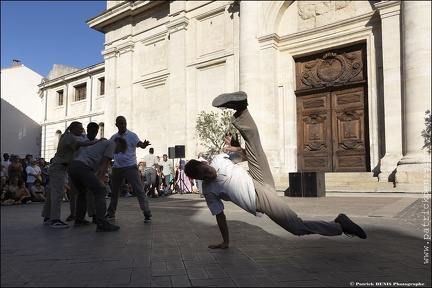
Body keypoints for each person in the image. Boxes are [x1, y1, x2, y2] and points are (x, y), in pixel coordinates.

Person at [184, 91, 367, 249]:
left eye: (207, 169)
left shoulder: (218, 159)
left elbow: (248, 156)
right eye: (205, 176)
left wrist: (237, 147)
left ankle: (242, 109)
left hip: (257, 175)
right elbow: (220, 216)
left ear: (205, 163)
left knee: (254, 146)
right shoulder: (209, 191)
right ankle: (339, 225)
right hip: (260, 198)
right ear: (201, 180)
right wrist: (225, 241)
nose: (210, 173)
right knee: (296, 228)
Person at [41, 121, 104, 229]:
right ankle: (55, 219)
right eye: (80, 128)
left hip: (59, 167)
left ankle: (47, 217)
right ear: (73, 129)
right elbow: (79, 144)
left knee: (52, 192)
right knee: (58, 193)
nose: (81, 130)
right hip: (59, 167)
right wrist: (95, 142)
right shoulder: (70, 137)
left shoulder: (67, 135)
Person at [67, 137, 128, 232]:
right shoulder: (112, 144)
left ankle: (79, 219)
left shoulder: (102, 144)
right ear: (119, 145)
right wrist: (102, 178)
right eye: (120, 151)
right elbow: (106, 160)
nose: (117, 153)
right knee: (101, 191)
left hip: (73, 166)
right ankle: (101, 222)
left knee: (82, 192)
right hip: (82, 167)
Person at [105, 116, 152, 223]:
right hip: (117, 168)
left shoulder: (131, 135)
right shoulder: (113, 138)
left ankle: (147, 212)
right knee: (115, 192)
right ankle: (111, 213)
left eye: (124, 123)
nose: (123, 125)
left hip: (130, 167)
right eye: (121, 123)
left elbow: (139, 144)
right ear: (116, 124)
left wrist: (143, 145)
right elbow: (108, 148)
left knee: (139, 190)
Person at [66, 122, 99, 222]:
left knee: (91, 193)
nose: (94, 133)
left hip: (90, 170)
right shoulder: (79, 139)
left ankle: (93, 214)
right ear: (87, 130)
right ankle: (74, 214)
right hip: (77, 169)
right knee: (74, 193)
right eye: (92, 131)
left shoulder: (98, 142)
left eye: (96, 131)